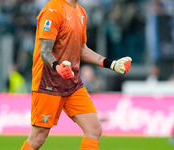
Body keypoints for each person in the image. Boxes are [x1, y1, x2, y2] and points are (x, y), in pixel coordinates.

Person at [20, 0, 132, 150]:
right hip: (48, 83)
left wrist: (111, 64)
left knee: (94, 129)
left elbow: (82, 50)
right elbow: (45, 51)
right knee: (38, 137)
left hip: (73, 84)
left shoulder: (81, 12)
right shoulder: (52, 10)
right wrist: (58, 67)